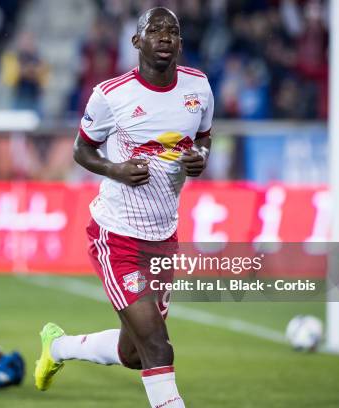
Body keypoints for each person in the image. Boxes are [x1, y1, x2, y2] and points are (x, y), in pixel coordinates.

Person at [34, 7, 213, 408]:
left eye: (173, 31)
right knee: (158, 348)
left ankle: (58, 347)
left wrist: (199, 157)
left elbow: (204, 137)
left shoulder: (198, 87)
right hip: (117, 237)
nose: (165, 37)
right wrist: (115, 169)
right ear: (137, 42)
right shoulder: (111, 95)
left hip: (163, 239)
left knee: (134, 354)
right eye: (155, 30)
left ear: (181, 42)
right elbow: (82, 150)